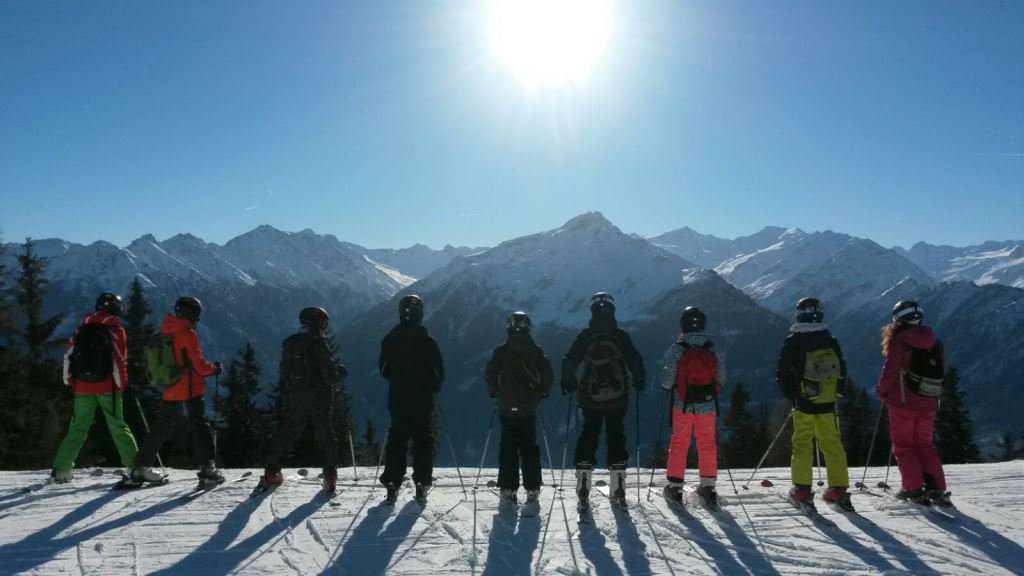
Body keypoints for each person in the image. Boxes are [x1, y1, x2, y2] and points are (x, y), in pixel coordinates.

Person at [562, 292, 646, 509]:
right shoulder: (620, 336)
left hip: (589, 398)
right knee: (616, 435)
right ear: (612, 310)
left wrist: (569, 381)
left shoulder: (585, 336)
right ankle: (618, 486)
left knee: (588, 434)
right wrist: (639, 380)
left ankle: (583, 484)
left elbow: (571, 360)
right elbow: (635, 360)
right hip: (618, 398)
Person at [129, 296, 223, 486]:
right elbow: (198, 365)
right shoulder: (187, 333)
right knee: (200, 426)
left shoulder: (167, 330)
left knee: (161, 427)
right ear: (191, 314)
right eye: (197, 314)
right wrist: (214, 369)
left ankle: (139, 468)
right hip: (189, 387)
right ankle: (208, 469)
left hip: (170, 386)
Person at [256, 307, 347, 494]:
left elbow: (284, 373)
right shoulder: (319, 344)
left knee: (289, 432)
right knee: (325, 433)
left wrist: (294, 389)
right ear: (320, 324)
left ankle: (271, 472)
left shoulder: (290, 344)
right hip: (320, 397)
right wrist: (341, 374)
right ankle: (330, 476)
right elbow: (330, 377)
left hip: (297, 396)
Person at [51, 293, 139, 482]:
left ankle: (61, 470)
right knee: (118, 426)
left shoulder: (82, 328)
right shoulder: (116, 329)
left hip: (82, 387)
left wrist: (69, 381)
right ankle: (135, 467)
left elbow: (68, 356)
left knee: (78, 427)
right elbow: (118, 361)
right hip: (108, 387)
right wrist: (122, 384)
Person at [776, 297, 852, 510]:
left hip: (804, 402)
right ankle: (838, 490)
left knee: (802, 444)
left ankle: (802, 491)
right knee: (832, 444)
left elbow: (782, 373)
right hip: (828, 402)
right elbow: (841, 368)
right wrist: (837, 392)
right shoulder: (830, 339)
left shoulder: (794, 341)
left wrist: (793, 397)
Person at [877, 300, 951, 506]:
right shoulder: (935, 342)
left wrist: (882, 391)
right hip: (929, 400)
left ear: (898, 319)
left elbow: (890, 370)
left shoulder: (900, 342)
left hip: (903, 402)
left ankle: (912, 487)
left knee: (904, 446)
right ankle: (936, 488)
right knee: (925, 446)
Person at [378, 294, 445, 503]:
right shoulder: (428, 340)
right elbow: (438, 372)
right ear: (420, 314)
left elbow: (383, 369)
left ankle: (392, 481)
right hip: (422, 401)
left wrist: (397, 379)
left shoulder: (391, 338)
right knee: (422, 441)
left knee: (397, 440)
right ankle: (422, 481)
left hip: (398, 399)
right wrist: (433, 387)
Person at [484, 311, 553, 507]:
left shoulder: (501, 351)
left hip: (506, 406)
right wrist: (543, 391)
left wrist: (494, 391)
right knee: (529, 447)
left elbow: (490, 373)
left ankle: (508, 488)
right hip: (528, 406)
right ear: (527, 327)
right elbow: (548, 374)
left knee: (508, 447)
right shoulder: (536, 350)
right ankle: (532, 488)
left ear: (509, 328)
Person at [659, 306, 721, 507]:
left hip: (682, 404)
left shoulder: (678, 348)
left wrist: (668, 381)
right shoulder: (712, 347)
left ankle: (675, 487)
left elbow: (667, 382)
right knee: (707, 442)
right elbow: (721, 378)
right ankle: (708, 486)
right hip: (708, 404)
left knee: (680, 442)